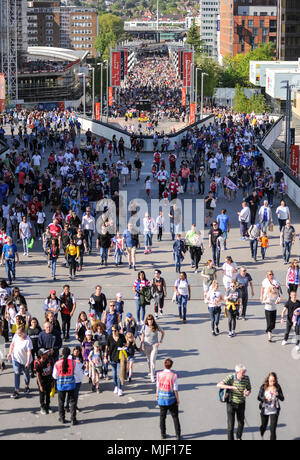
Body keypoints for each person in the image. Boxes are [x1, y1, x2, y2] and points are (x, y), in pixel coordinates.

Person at [217, 364, 251, 441]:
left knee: (241, 423)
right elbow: (218, 385)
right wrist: (231, 387)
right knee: (230, 425)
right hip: (231, 403)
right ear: (237, 372)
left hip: (241, 403)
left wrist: (247, 393)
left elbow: (249, 389)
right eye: (243, 373)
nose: (244, 374)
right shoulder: (230, 377)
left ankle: (238, 437)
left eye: (244, 372)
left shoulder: (246, 378)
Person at [52, 347, 80, 425]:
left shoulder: (57, 363)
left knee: (61, 402)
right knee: (72, 402)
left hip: (61, 386)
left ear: (62, 354)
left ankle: (62, 418)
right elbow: (77, 373)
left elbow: (54, 376)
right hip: (71, 385)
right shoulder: (73, 363)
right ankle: (73, 419)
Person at [156, 358, 181, 440]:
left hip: (162, 399)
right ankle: (178, 435)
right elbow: (175, 389)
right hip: (171, 399)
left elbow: (158, 386)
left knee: (162, 417)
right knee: (175, 417)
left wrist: (157, 395)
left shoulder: (159, 374)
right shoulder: (173, 376)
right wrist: (177, 399)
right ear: (171, 366)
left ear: (164, 364)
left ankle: (163, 434)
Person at [7, 325, 33, 399]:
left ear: (24, 333)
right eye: (18, 333)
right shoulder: (16, 336)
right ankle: (16, 390)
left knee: (26, 374)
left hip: (25, 361)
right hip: (16, 359)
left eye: (20, 334)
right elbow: (12, 345)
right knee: (17, 373)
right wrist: (9, 353)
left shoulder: (28, 340)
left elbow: (29, 352)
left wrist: (27, 362)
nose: (18, 335)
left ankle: (27, 386)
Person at [257, 372, 284, 440]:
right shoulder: (263, 386)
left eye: (274, 381)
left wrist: (277, 394)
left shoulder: (277, 386)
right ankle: (262, 433)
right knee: (264, 426)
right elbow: (259, 397)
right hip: (265, 410)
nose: (272, 382)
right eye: (271, 380)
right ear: (268, 379)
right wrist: (265, 399)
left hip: (274, 410)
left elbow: (282, 398)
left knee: (273, 429)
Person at [140, 314, 165, 383]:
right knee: (148, 359)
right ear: (146, 320)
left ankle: (152, 375)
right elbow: (142, 336)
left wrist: (160, 341)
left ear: (153, 320)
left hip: (154, 345)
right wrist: (140, 345)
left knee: (152, 360)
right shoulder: (144, 327)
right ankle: (150, 370)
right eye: (148, 320)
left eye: (151, 320)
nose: (150, 321)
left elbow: (163, 332)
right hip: (146, 345)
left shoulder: (156, 326)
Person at [104, 326, 126, 396]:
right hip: (112, 358)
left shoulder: (122, 336)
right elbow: (106, 348)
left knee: (118, 374)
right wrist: (105, 357)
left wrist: (123, 348)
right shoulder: (109, 337)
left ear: (118, 330)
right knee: (114, 375)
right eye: (112, 330)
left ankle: (120, 388)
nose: (113, 332)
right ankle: (116, 386)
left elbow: (125, 344)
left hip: (120, 358)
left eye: (115, 330)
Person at [34, 348, 54, 415]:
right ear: (41, 355)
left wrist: (52, 379)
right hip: (42, 382)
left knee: (48, 394)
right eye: (45, 353)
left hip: (48, 380)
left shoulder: (49, 360)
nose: (47, 354)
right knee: (42, 394)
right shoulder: (38, 364)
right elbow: (38, 375)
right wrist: (40, 385)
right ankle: (42, 407)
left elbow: (51, 369)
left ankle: (48, 406)